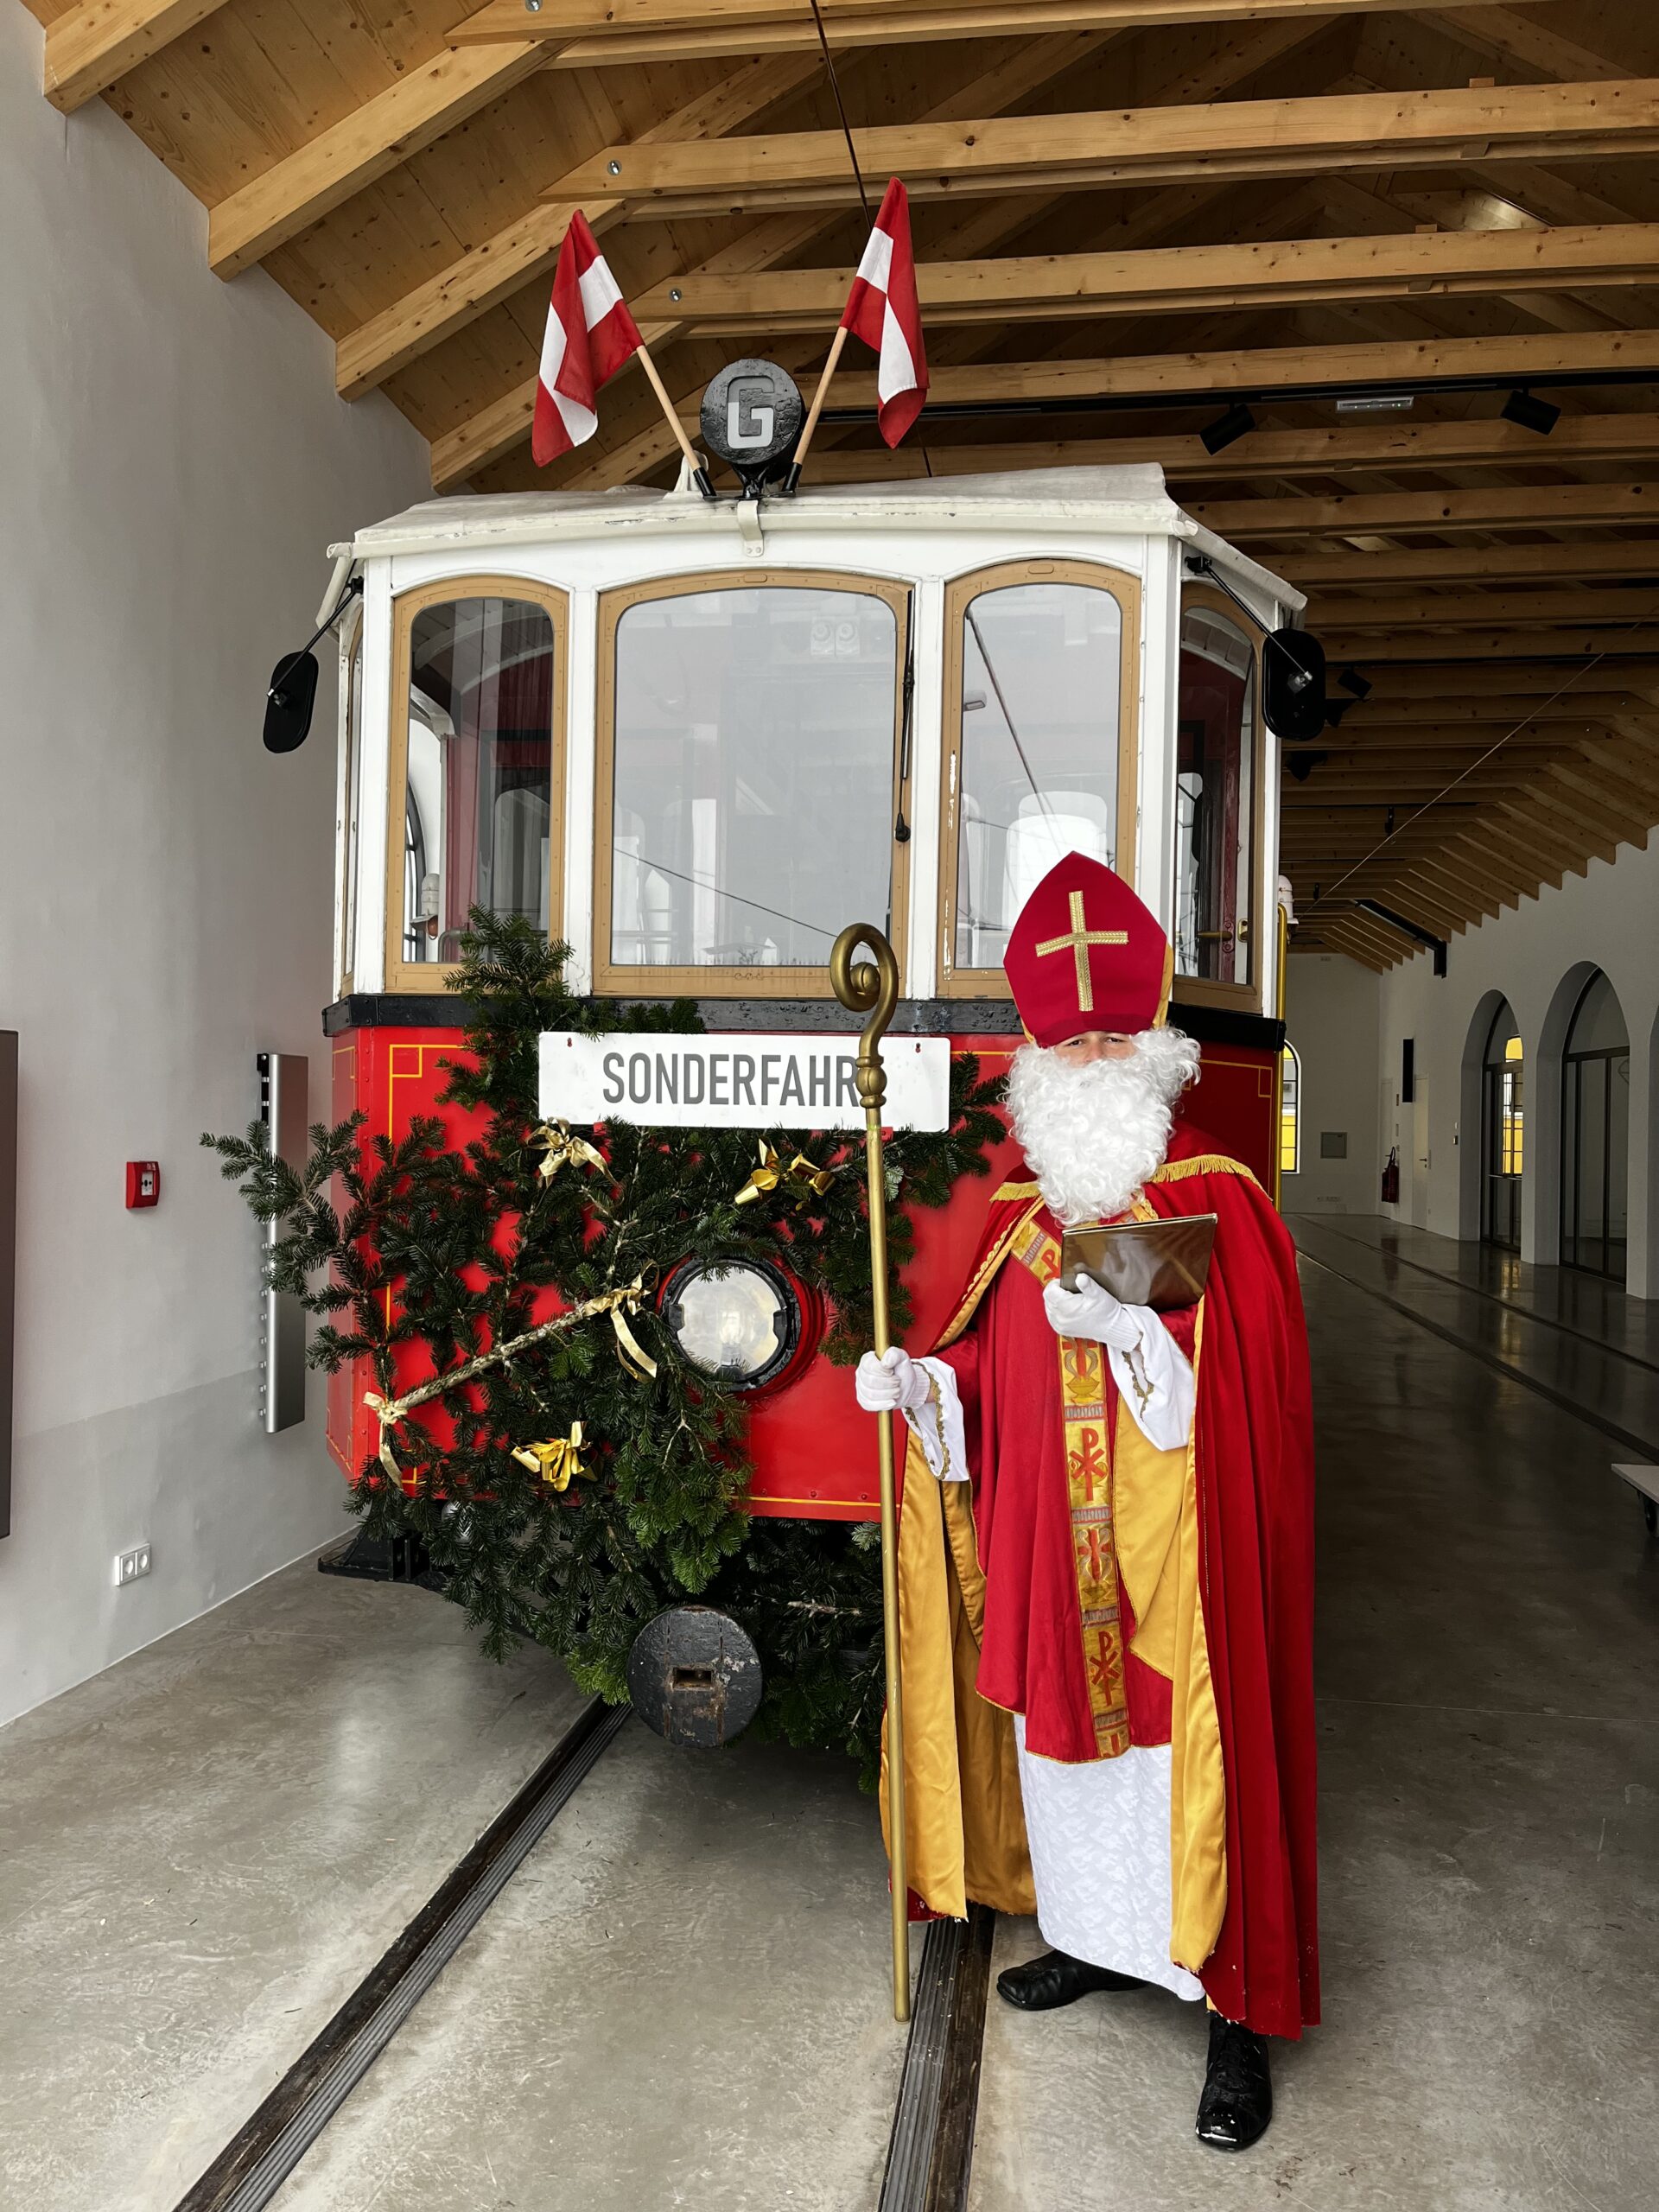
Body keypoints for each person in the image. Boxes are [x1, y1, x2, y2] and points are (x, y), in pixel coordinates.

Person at [855, 851, 1318, 2152]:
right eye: (1071, 1050)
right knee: (1074, 1770)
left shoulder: (1221, 1205)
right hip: (1058, 1574)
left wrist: (1129, 1337)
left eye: (1117, 1043)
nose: (1094, 1065)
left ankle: (1235, 2016)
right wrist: (924, 1388)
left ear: (1161, 1060)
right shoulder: (1018, 1220)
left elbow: (1250, 1407)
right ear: (1039, 1073)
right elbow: (988, 1389)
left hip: (1182, 1590)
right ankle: (1104, 1943)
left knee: (1190, 1774)